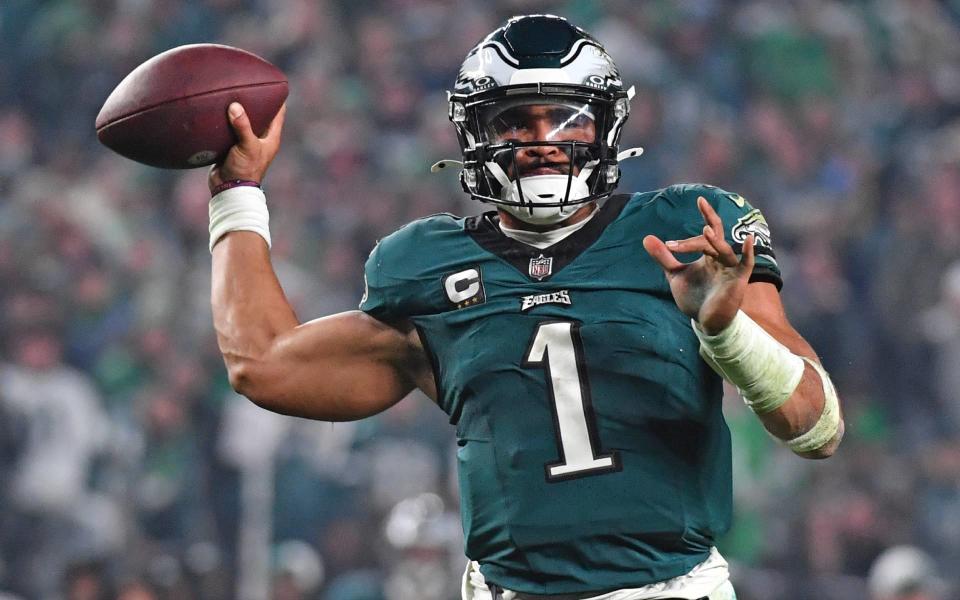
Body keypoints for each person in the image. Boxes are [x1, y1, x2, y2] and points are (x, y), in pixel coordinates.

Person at [207, 14, 843, 600]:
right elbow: (262, 363)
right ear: (474, 133)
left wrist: (726, 329)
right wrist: (237, 191)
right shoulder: (426, 266)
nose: (543, 141)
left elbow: (816, 428)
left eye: (568, 119)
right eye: (515, 120)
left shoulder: (685, 230)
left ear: (607, 127)